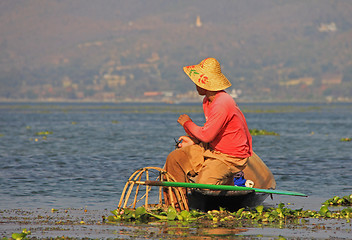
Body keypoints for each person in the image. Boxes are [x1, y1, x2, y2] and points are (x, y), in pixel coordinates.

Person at [163, 57, 276, 208]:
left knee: (205, 187)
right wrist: (194, 141)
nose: (195, 84)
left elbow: (207, 135)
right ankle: (176, 207)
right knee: (175, 159)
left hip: (229, 157)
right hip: (213, 150)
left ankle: (228, 179)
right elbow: (211, 134)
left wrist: (187, 123)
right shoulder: (208, 101)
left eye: (197, 81)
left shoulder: (222, 103)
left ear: (205, 84)